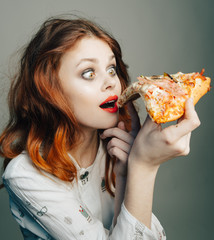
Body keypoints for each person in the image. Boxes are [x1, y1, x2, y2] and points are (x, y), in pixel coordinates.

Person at [0, 16, 200, 240]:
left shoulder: (114, 148)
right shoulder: (24, 174)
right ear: (48, 91)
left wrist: (127, 172)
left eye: (112, 69)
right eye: (89, 73)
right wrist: (144, 166)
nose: (111, 83)